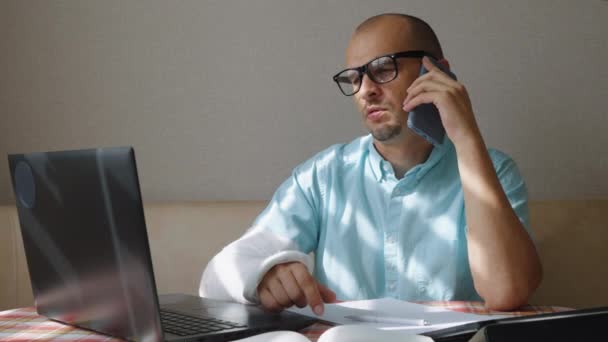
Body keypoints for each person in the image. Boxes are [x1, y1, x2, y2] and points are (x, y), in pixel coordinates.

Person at [199, 13, 542, 316]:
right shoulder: (321, 177)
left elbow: (506, 292)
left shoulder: (494, 171)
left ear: (436, 71)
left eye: (382, 69)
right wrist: (262, 274)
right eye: (354, 78)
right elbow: (217, 276)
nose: (366, 90)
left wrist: (466, 137)